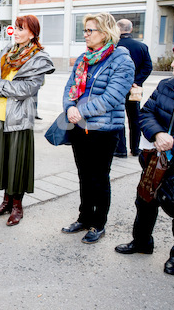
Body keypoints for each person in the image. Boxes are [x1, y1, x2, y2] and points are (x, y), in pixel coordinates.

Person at [115, 37, 174, 275]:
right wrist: (158, 133)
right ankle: (142, 243)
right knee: (145, 201)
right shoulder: (166, 86)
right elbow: (146, 113)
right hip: (157, 160)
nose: (173, 63)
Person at [61, 12, 134, 244]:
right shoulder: (84, 58)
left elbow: (113, 97)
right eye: (85, 30)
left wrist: (80, 111)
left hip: (104, 130)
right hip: (79, 126)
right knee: (84, 175)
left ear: (105, 33)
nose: (85, 35)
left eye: (90, 30)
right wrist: (70, 107)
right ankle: (84, 217)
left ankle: (98, 223)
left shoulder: (122, 59)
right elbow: (69, 87)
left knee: (99, 177)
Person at [0, 15, 55, 226]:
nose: (16, 31)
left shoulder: (39, 57)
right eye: (15, 27)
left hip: (19, 118)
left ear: (32, 32)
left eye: (21, 28)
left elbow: (28, 88)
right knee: (3, 162)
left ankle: (17, 206)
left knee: (17, 163)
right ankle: (5, 201)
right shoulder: (7, 52)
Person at [114, 19, 153, 157]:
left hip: (117, 87)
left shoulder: (114, 46)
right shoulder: (141, 46)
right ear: (130, 30)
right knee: (135, 118)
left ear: (117, 30)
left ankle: (120, 149)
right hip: (134, 89)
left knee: (118, 117)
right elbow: (148, 66)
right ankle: (136, 149)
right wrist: (136, 81)